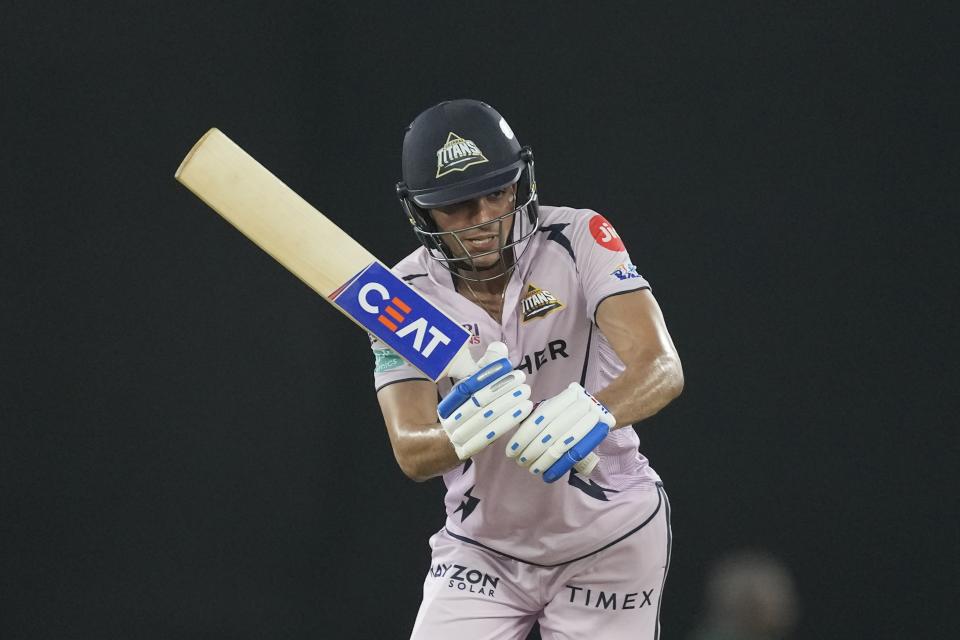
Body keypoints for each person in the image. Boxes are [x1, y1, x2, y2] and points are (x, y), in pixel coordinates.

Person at [373, 99, 684, 640]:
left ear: (520, 181)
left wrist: (596, 410)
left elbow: (661, 365)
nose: (484, 220)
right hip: (482, 551)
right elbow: (412, 451)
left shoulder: (578, 237)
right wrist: (464, 430)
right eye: (457, 206)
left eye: (497, 192)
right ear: (421, 212)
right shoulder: (400, 297)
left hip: (608, 538)